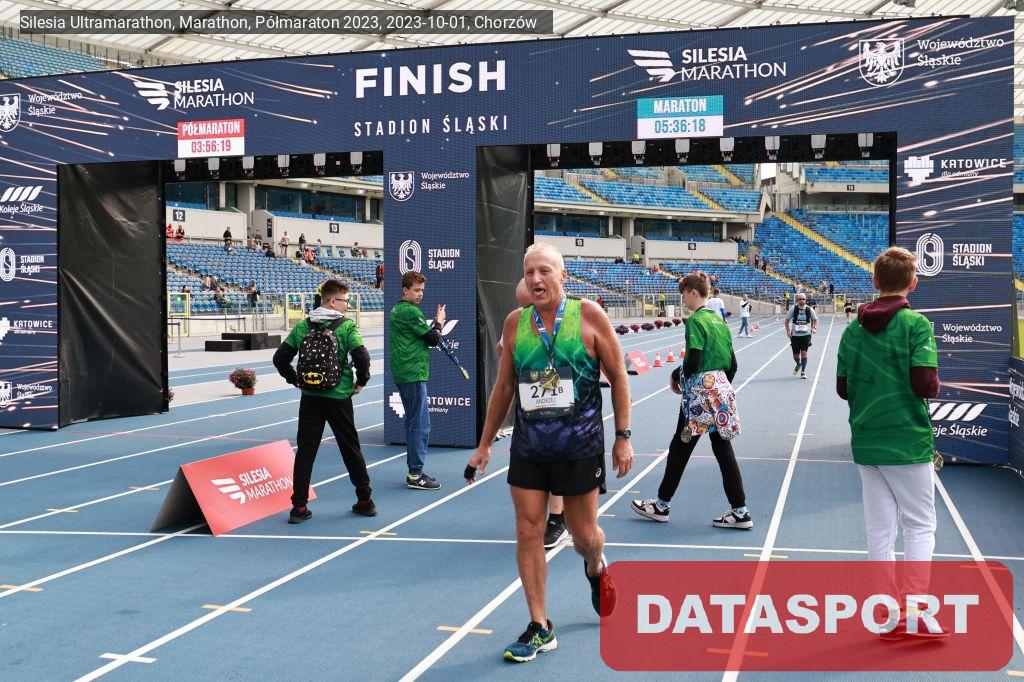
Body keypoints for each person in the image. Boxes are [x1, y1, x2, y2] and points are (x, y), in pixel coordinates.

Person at [467, 242, 632, 662]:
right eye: (529, 272)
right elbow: (504, 387)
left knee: (584, 536)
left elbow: (618, 375)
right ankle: (540, 626)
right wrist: (484, 445)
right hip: (530, 447)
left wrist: (623, 435)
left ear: (563, 275)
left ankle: (596, 565)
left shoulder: (588, 315)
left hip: (579, 447)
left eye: (544, 271)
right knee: (529, 531)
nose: (536, 279)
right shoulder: (514, 323)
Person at [837, 247, 940, 636]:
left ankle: (886, 613)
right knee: (919, 525)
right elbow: (925, 384)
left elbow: (843, 388)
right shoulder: (916, 324)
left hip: (867, 441)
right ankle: (914, 613)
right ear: (913, 283)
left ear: (875, 281)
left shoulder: (852, 329)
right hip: (907, 440)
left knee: (879, 532)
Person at [632, 271, 749, 529]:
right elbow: (733, 365)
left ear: (694, 292)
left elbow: (694, 362)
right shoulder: (719, 321)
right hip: (720, 392)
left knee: (681, 446)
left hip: (699, 397)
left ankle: (661, 505)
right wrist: (718, 388)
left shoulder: (696, 321)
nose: (683, 298)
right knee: (723, 449)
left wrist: (676, 375)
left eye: (684, 293)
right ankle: (740, 511)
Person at [273, 279, 375, 523]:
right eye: (345, 301)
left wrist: (296, 380)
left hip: (310, 397)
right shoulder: (346, 326)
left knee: (305, 451)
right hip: (339, 396)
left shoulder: (303, 325)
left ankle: (299, 507)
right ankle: (364, 500)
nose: (348, 305)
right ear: (331, 301)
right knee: (350, 448)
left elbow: (280, 358)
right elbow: (362, 357)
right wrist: (361, 382)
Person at [390, 271, 446, 490]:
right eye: (416, 290)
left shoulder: (398, 308)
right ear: (405, 290)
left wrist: (434, 325)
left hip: (405, 371)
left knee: (414, 422)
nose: (420, 294)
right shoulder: (411, 311)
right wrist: (439, 323)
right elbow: (433, 338)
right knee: (420, 424)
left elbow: (424, 336)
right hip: (412, 372)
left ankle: (415, 471)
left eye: (422, 290)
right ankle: (415, 474)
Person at [785, 291, 819, 379]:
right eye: (800, 299)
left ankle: (803, 372)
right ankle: (798, 363)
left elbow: (815, 319)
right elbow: (787, 320)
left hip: (806, 335)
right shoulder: (793, 308)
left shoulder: (809, 309)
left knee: (804, 352)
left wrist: (814, 327)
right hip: (795, 335)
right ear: (797, 300)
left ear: (806, 300)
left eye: (803, 299)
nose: (802, 301)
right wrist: (788, 331)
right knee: (795, 355)